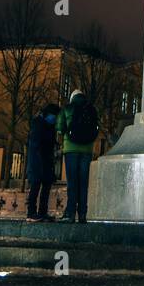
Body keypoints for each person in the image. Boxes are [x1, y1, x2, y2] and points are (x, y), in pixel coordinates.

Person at [56, 88, 98, 223]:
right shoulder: (92, 109)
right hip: (87, 151)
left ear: (72, 98)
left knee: (72, 183)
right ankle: (82, 214)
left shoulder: (67, 108)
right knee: (83, 184)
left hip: (71, 150)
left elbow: (60, 128)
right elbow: (97, 128)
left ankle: (70, 213)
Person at [25, 103, 59, 222]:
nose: (54, 118)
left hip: (45, 160)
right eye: (53, 116)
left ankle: (41, 212)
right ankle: (31, 212)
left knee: (45, 187)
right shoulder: (39, 125)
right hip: (38, 161)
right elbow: (35, 145)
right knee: (36, 186)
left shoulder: (47, 126)